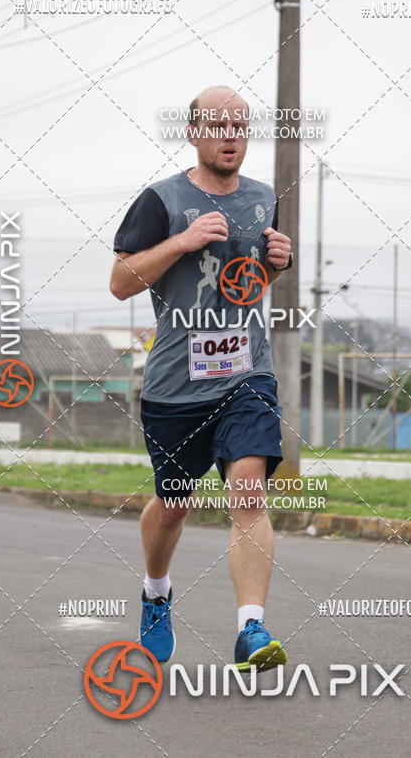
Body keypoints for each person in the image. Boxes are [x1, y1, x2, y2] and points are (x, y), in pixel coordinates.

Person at [110, 85, 293, 672]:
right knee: (173, 505)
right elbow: (120, 281)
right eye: (217, 126)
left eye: (240, 126)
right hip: (175, 385)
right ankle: (156, 594)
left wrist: (278, 263)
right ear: (193, 133)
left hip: (245, 372)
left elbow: (250, 281)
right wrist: (184, 241)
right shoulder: (160, 199)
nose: (230, 136)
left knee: (247, 490)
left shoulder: (265, 198)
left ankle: (250, 628)